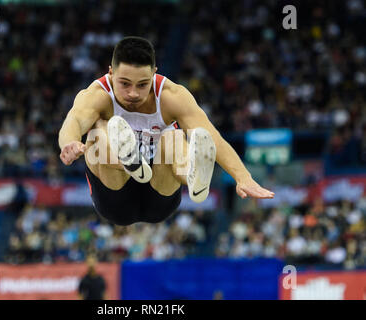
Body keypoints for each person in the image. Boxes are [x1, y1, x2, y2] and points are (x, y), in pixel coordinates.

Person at [59, 36, 274, 226]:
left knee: (173, 135)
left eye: (143, 84)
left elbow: (211, 136)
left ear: (154, 73)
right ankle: (127, 161)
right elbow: (74, 120)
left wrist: (243, 176)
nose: (133, 93)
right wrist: (69, 142)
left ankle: (193, 176)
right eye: (125, 83)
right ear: (110, 73)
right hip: (115, 197)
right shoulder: (97, 94)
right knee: (97, 129)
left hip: (159, 191)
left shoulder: (172, 96)